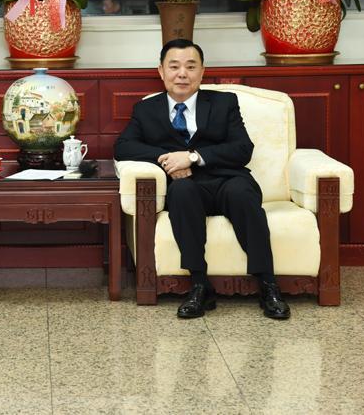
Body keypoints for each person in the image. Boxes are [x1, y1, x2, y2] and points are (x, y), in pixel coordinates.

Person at [114, 39, 290, 320]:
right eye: (174, 66)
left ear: (202, 71)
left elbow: (243, 148)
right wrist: (169, 159)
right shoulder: (147, 109)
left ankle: (268, 285)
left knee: (242, 195)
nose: (182, 74)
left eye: (190, 66)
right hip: (186, 187)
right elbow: (123, 147)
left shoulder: (224, 103)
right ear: (161, 71)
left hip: (227, 179)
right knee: (181, 192)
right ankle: (199, 285)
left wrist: (193, 157)